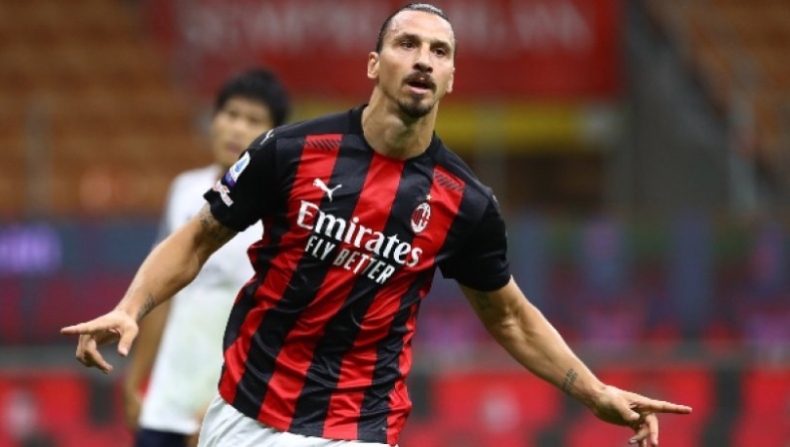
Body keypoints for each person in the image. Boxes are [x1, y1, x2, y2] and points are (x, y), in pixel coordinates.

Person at [62, 4, 692, 447]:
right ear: (373, 64)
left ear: (451, 77)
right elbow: (199, 238)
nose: (423, 60)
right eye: (407, 44)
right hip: (246, 413)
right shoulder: (289, 151)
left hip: (357, 425)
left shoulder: (466, 203)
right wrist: (131, 306)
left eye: (439, 52)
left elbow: (510, 317)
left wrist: (594, 392)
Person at [122, 68, 291, 447]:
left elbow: (276, 322)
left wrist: (222, 404)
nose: (237, 128)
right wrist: (135, 381)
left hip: (232, 414)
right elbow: (163, 294)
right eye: (231, 114)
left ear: (273, 135)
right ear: (213, 119)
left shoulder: (283, 212)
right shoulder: (185, 190)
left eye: (253, 120)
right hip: (164, 407)